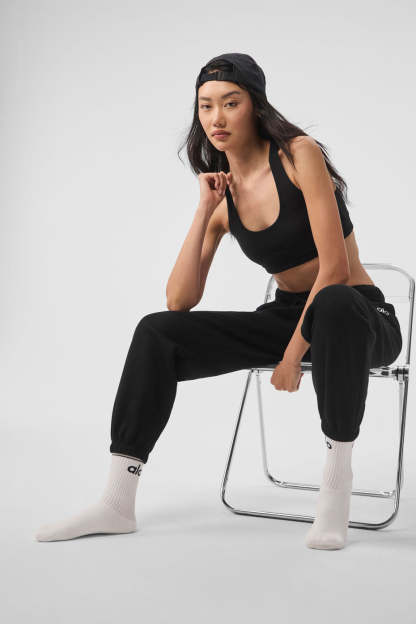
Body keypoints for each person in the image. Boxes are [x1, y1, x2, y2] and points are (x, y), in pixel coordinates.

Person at [35, 52, 402, 549]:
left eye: (231, 103)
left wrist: (292, 355)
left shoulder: (298, 154)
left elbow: (334, 269)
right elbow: (178, 300)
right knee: (156, 331)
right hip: (288, 315)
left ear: (255, 106)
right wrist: (205, 209)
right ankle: (117, 500)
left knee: (334, 302)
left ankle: (335, 494)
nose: (217, 117)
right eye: (205, 106)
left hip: (358, 316)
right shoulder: (223, 197)